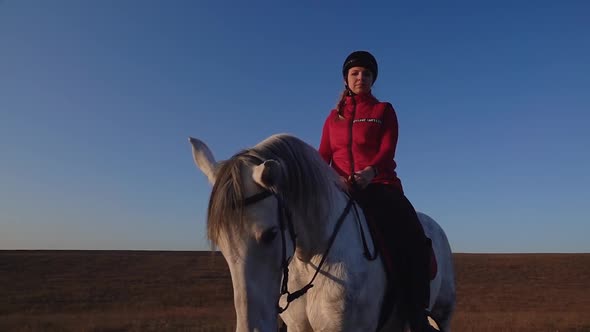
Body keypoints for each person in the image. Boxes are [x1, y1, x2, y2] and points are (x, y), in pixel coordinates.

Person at [318, 50, 436, 332]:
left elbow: (386, 150)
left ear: (373, 79)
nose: (361, 77)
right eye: (356, 73)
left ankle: (416, 312)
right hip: (341, 190)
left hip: (380, 186)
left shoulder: (383, 110)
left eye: (367, 74)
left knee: (411, 234)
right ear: (347, 78)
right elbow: (323, 155)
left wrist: (370, 173)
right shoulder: (333, 118)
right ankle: (286, 308)